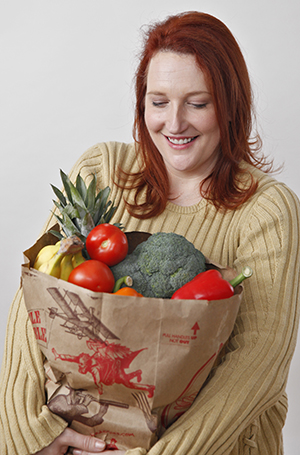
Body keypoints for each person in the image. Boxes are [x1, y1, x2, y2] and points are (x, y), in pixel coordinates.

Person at [1, 10, 299, 455]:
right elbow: (35, 304)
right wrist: (32, 432)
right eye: (159, 102)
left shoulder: (266, 209)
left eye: (198, 103)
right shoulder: (102, 170)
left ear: (230, 105)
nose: (174, 123)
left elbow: (258, 363)